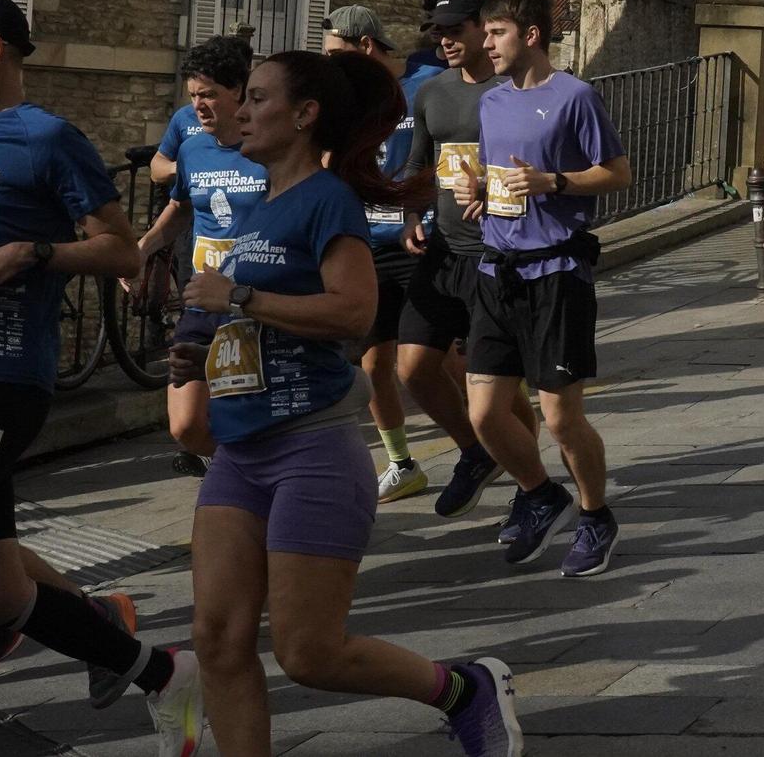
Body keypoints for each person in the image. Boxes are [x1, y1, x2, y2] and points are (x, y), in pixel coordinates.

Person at [176, 47, 522, 756]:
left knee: (309, 652)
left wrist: (239, 294)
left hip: (312, 448)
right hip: (241, 449)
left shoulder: (327, 198)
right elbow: (266, 312)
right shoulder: (263, 201)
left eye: (258, 97)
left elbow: (354, 312)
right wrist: (207, 339)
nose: (241, 108)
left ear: (304, 115)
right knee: (216, 637)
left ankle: (464, 688)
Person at [0, 0, 207, 753]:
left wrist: (27, 253)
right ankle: (158, 669)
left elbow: (122, 250)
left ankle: (133, 648)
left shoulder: (45, 139)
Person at [450, 0, 632, 575]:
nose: (487, 43)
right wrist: (480, 193)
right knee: (482, 415)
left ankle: (595, 515)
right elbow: (499, 172)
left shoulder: (575, 96)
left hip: (557, 272)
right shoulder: (493, 103)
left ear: (529, 36)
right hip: (495, 270)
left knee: (559, 417)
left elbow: (617, 173)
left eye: (497, 33)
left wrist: (555, 182)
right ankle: (538, 492)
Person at [404, 0, 540, 530]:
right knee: (412, 367)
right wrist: (413, 216)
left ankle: (530, 486)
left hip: (497, 254)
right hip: (442, 252)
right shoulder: (430, 92)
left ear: (483, 32)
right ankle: (477, 451)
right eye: (438, 32)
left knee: (497, 387)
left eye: (454, 31)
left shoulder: (515, 90)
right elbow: (420, 165)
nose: (445, 41)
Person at [320, 5, 445, 504]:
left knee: (436, 365)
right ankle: (402, 463)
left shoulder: (429, 83)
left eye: (335, 54)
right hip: (366, 245)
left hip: (421, 242)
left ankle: (483, 448)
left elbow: (451, 151)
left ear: (364, 46)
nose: (328, 65)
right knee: (374, 366)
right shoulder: (345, 98)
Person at [133, 35, 265, 466]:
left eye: (207, 95)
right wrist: (141, 250)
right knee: (185, 425)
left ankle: (244, 483)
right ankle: (238, 471)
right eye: (193, 96)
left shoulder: (269, 149)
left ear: (238, 92)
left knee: (249, 420)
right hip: (201, 303)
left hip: (257, 305)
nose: (198, 106)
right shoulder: (191, 149)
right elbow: (180, 208)